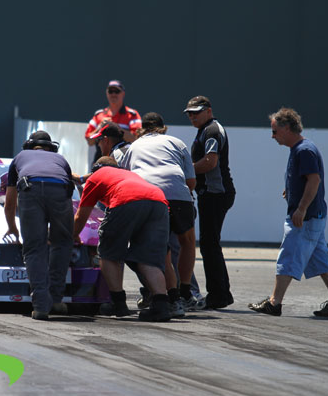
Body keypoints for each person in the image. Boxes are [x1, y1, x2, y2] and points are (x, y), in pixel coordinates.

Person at [249, 108, 328, 317]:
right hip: (314, 217)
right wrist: (292, 189)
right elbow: (307, 179)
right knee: (320, 260)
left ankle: (274, 303)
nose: (272, 136)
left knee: (288, 256)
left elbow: (314, 180)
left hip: (306, 218)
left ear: (287, 128)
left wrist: (301, 209)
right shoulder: (300, 149)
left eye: (275, 131)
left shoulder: (304, 150)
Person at [73, 156, 172, 322]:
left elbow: (81, 216)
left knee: (108, 253)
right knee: (147, 258)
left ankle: (118, 304)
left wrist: (74, 235)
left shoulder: (94, 179)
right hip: (159, 201)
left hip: (126, 199)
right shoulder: (127, 174)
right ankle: (161, 306)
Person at [120, 112, 197, 317]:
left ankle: (169, 297)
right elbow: (191, 182)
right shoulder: (177, 142)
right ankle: (185, 291)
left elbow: (126, 178)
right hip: (179, 195)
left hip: (149, 196)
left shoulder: (134, 146)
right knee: (188, 242)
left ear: (141, 129)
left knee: (162, 251)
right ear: (163, 128)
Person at [4, 131, 74, 320]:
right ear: (51, 147)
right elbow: (69, 194)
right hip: (59, 191)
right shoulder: (60, 159)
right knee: (62, 243)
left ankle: (41, 306)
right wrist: (62, 227)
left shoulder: (20, 157)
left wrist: (12, 227)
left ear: (29, 146)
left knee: (35, 248)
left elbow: (9, 203)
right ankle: (56, 300)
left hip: (30, 189)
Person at [184, 95, 235, 309]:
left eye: (196, 112)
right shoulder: (206, 130)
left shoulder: (212, 130)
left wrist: (185, 170)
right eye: (190, 114)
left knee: (209, 245)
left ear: (208, 111)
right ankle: (222, 293)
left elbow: (210, 162)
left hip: (216, 193)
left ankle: (218, 295)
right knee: (210, 244)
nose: (193, 117)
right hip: (212, 193)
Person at [85, 80, 142, 164]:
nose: (113, 94)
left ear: (123, 94)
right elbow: (89, 141)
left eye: (117, 91)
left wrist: (114, 128)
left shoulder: (132, 115)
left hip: (123, 161)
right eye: (110, 91)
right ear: (107, 93)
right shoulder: (99, 115)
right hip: (100, 162)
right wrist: (99, 127)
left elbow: (136, 139)